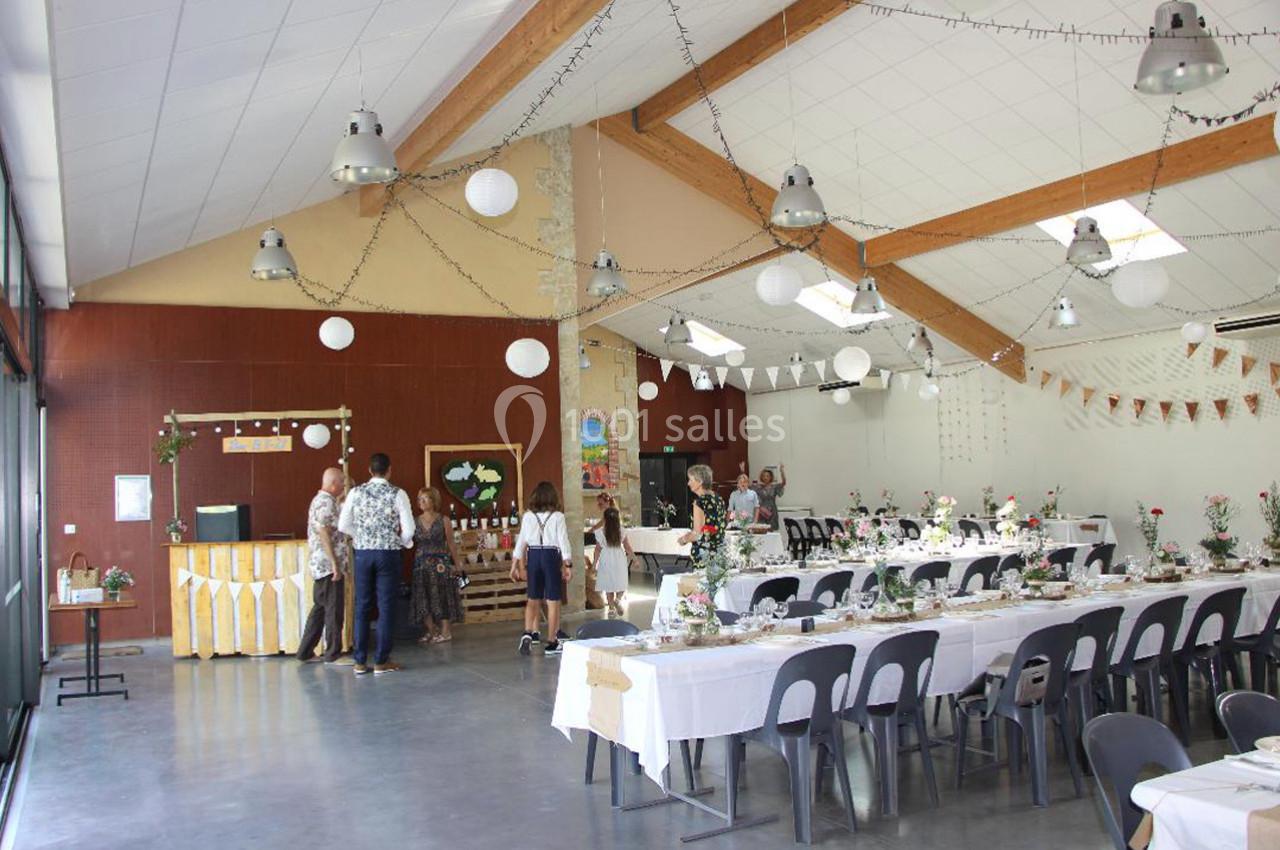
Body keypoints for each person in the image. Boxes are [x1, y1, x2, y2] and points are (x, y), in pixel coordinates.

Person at [338, 452, 414, 677]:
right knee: (386, 606)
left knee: (361, 605)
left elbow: (343, 525)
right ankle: (381, 660)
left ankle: (359, 662)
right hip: (388, 554)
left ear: (369, 471)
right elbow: (409, 529)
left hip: (362, 553)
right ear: (389, 470)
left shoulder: (355, 492)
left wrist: (361, 536)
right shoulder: (397, 493)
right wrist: (399, 542)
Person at [511, 481, 573, 656]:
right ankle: (552, 642)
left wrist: (514, 564)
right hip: (550, 556)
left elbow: (521, 541)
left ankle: (528, 632)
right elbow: (563, 541)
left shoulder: (528, 516)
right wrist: (567, 564)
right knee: (553, 601)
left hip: (533, 556)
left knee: (533, 598)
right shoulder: (558, 516)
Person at [297, 467, 349, 664]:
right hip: (329, 566)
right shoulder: (326, 503)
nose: (344, 486)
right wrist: (335, 564)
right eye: (342, 483)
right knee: (333, 610)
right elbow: (324, 533)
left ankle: (305, 651)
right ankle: (333, 653)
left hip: (321, 565)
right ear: (334, 484)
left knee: (320, 608)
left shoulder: (322, 501)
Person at [411, 486, 464, 644]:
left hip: (441, 564)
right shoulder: (415, 521)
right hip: (421, 564)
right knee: (423, 596)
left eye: (425, 498)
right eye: (420, 499)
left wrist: (458, 564)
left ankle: (446, 631)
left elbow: (451, 544)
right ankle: (431, 629)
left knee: (443, 596)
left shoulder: (444, 520)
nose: (422, 502)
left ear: (434, 501)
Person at [677, 464, 726, 563]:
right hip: (719, 549)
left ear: (700, 482)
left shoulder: (699, 502)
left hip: (704, 552)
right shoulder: (718, 498)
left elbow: (697, 534)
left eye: (691, 480)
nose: (688, 483)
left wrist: (683, 539)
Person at [591, 507, 634, 617]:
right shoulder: (622, 531)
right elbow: (628, 547)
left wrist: (594, 564)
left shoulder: (601, 532)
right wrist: (635, 559)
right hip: (619, 558)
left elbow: (597, 549)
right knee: (621, 582)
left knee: (608, 584)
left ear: (604, 519)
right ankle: (618, 600)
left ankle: (610, 608)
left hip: (606, 558)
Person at [754, 463, 788, 531]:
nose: (766, 477)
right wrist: (742, 471)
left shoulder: (774, 487)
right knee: (762, 529)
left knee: (772, 529)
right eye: (764, 476)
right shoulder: (758, 487)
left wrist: (782, 471)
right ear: (762, 477)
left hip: (772, 510)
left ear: (770, 477)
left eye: (767, 476)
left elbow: (783, 483)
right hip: (762, 511)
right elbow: (746, 485)